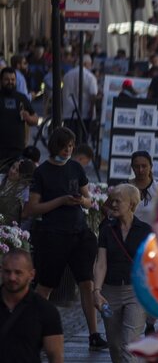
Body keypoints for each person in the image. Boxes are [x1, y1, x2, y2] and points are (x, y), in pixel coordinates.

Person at [22, 127, 105, 349]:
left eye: (71, 146)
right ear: (55, 146)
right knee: (46, 285)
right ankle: (35, 332)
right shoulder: (43, 172)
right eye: (64, 146)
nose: (68, 150)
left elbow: (89, 200)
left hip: (78, 232)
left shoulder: (76, 168)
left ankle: (94, 334)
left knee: (86, 283)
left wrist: (81, 202)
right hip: (53, 235)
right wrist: (61, 201)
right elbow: (32, 208)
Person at [92, 184, 151, 363]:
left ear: (132, 204)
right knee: (115, 345)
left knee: (129, 344)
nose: (113, 204)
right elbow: (101, 262)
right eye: (112, 200)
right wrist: (96, 291)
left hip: (136, 292)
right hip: (110, 291)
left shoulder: (145, 230)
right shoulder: (107, 229)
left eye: (118, 201)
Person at [0, 67, 37, 167]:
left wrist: (28, 118)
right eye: (7, 79)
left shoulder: (21, 98)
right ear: (1, 81)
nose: (10, 82)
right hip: (1, 149)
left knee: (15, 179)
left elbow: (35, 120)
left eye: (13, 80)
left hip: (17, 149)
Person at [126, 152, 158, 225]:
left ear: (151, 166)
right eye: (137, 166)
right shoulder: (124, 187)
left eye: (144, 166)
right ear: (132, 167)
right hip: (128, 234)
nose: (140, 170)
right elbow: (106, 207)